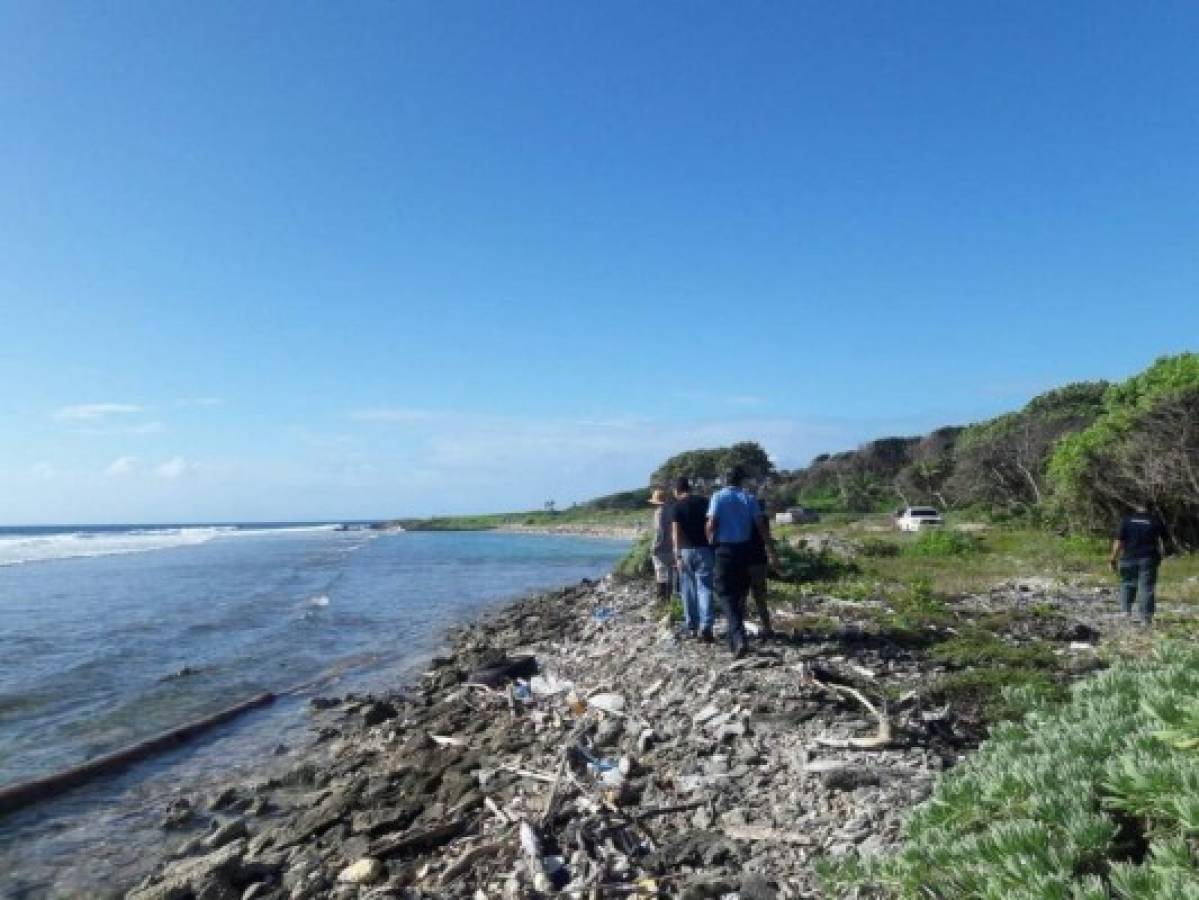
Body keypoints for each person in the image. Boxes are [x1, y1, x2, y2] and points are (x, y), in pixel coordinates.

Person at [706, 466, 779, 657]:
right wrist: (771, 550)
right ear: (740, 480)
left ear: (725, 480)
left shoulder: (718, 497)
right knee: (740, 595)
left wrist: (709, 539)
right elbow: (761, 526)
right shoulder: (749, 498)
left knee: (725, 594)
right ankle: (737, 637)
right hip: (745, 551)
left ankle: (738, 638)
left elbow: (712, 523)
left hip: (725, 550)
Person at [671, 476, 715, 640]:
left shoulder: (677, 506)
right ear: (689, 488)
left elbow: (675, 533)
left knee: (688, 589)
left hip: (686, 551)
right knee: (705, 588)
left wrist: (677, 555)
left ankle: (692, 625)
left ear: (677, 490)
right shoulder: (704, 502)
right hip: (705, 549)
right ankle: (707, 625)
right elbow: (711, 524)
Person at [1109, 503, 1167, 626]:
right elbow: (1162, 542)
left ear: (1136, 508)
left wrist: (1113, 559)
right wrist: (1161, 557)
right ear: (1149, 509)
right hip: (1148, 557)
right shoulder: (1155, 521)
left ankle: (1125, 612)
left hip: (1129, 557)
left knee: (1127, 584)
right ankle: (1145, 618)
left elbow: (1119, 541)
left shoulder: (1127, 519)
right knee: (1146, 587)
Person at [744, 482, 775, 638]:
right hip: (759, 560)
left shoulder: (741, 519)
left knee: (741, 596)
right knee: (761, 597)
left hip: (743, 560)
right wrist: (772, 555)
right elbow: (766, 537)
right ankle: (767, 626)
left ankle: (740, 628)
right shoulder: (764, 520)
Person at [648, 488, 676, 602]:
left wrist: (655, 546)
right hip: (671, 546)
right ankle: (669, 599)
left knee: (660, 573)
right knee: (669, 573)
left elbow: (659, 532)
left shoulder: (659, 513)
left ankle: (662, 600)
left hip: (661, 548)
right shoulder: (671, 509)